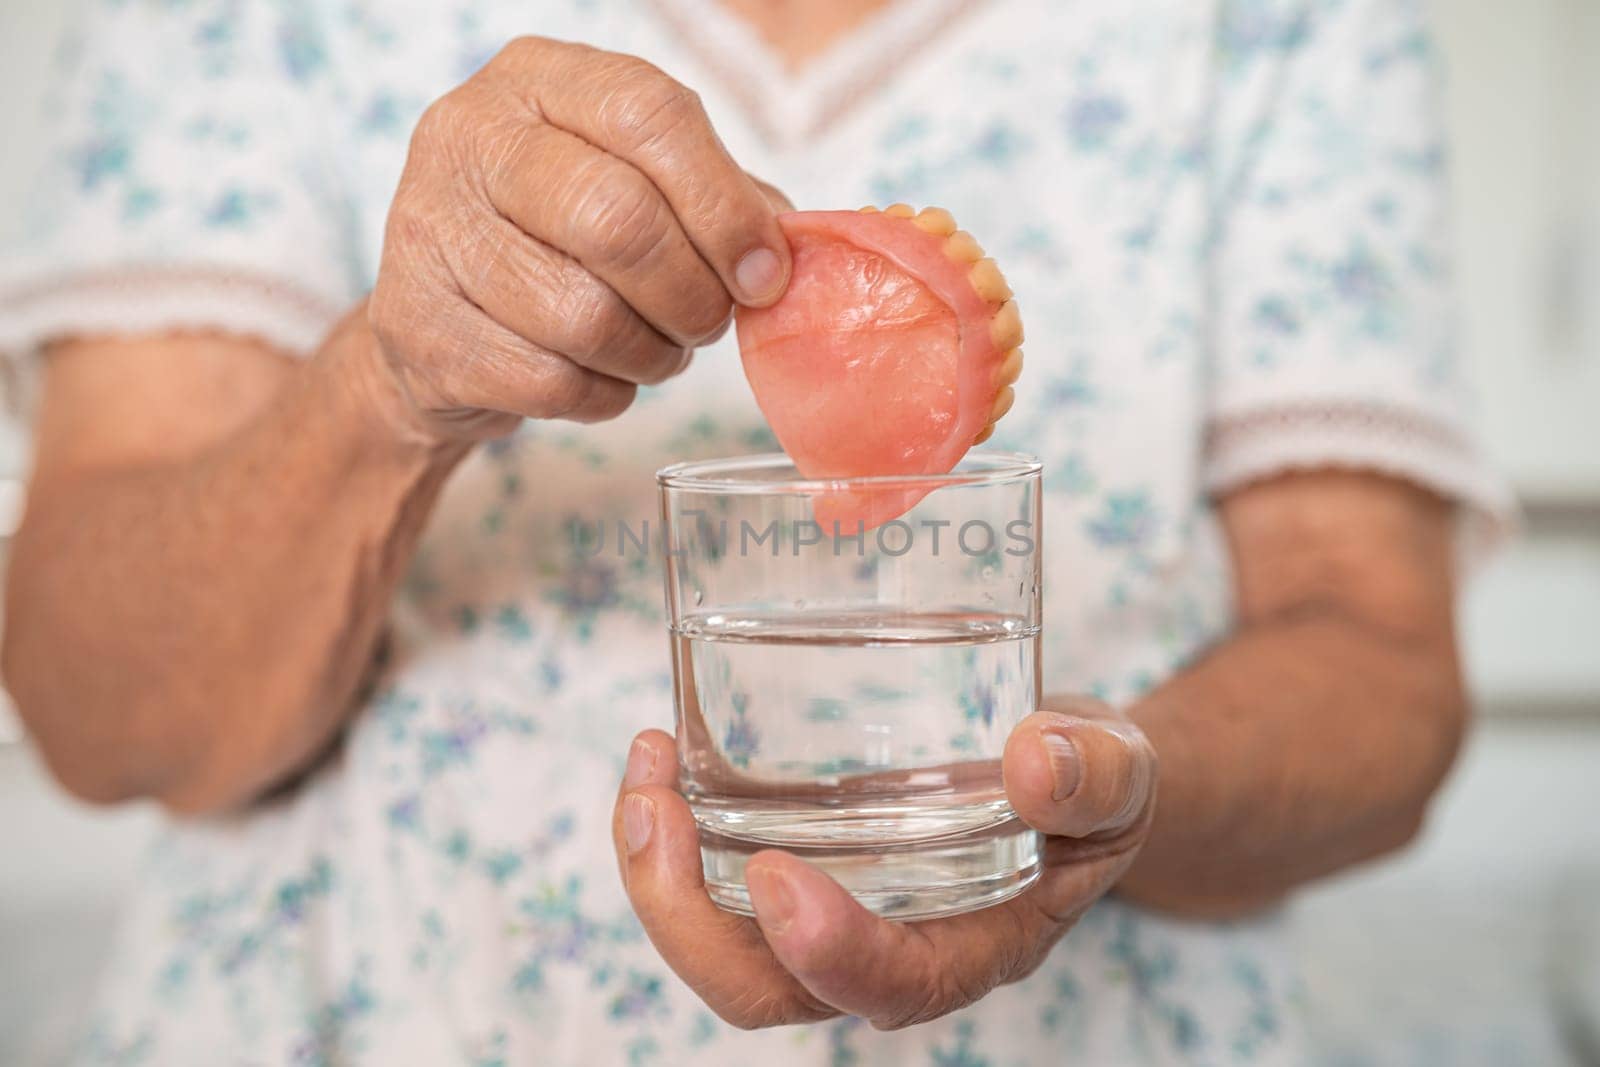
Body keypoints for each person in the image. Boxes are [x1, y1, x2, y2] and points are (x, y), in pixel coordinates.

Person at [0, 0, 1510, 1063]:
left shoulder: (1273, 22)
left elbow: (1378, 670)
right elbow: (95, 711)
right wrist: (386, 380)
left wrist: (1097, 807)